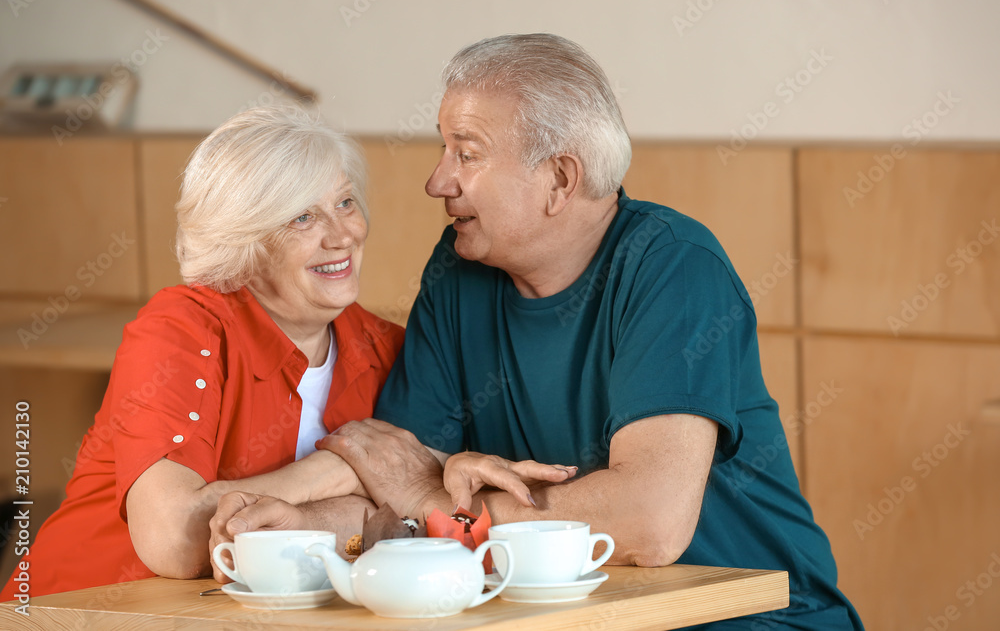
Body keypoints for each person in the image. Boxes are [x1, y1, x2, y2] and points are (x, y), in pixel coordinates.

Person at [211, 35, 864, 629]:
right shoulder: (457, 272)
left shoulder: (673, 266)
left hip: (760, 622)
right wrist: (301, 527)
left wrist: (430, 503)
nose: (437, 181)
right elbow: (393, 487)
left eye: (465, 153)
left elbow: (648, 521)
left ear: (559, 179)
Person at [1, 106, 404, 600]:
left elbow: (411, 506)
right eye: (302, 217)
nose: (343, 235)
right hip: (82, 609)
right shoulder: (180, 329)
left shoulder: (385, 346)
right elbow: (173, 539)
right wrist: (338, 472)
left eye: (345, 202)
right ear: (244, 241)